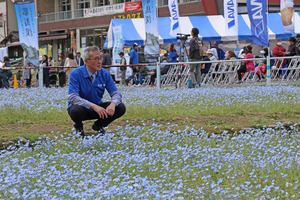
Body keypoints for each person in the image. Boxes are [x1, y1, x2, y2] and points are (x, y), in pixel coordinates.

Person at [68, 46, 126, 136]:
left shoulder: (105, 73)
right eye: (96, 59)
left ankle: (98, 125)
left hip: (98, 109)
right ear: (86, 61)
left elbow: (115, 93)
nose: (99, 62)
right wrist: (92, 106)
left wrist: (113, 104)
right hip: (83, 109)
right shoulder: (76, 74)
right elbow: (73, 97)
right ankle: (79, 126)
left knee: (120, 107)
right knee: (75, 110)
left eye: (100, 58)